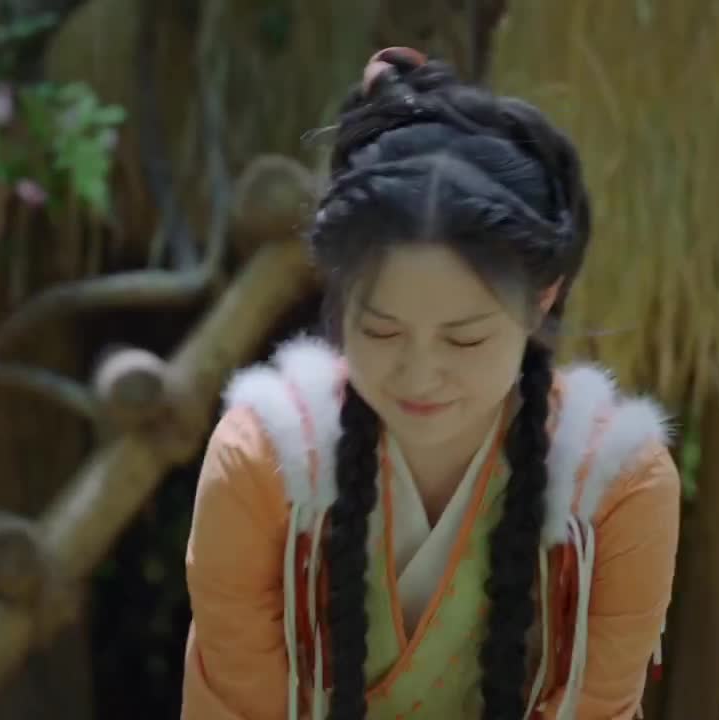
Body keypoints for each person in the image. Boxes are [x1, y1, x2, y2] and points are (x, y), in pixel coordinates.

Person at [181, 46, 680, 720]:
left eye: (464, 338)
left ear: (542, 300)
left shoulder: (616, 482)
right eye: (381, 330)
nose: (419, 374)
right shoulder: (262, 462)